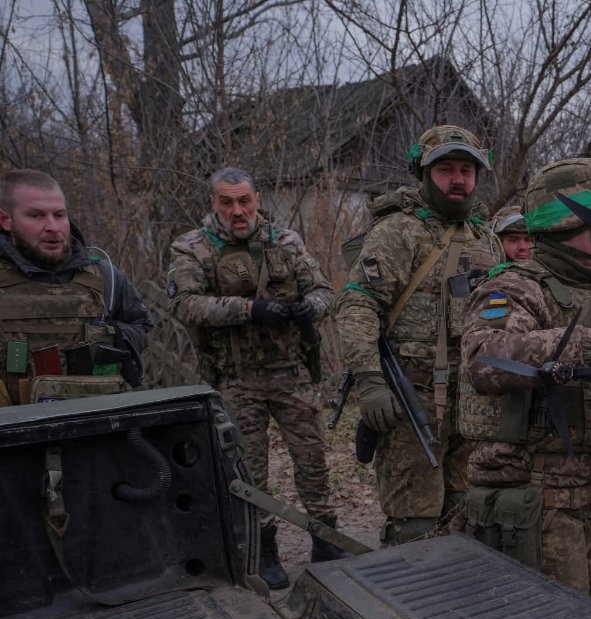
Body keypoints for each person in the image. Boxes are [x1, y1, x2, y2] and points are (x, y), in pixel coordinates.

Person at [458, 157, 591, 596]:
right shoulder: (516, 287)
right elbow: (484, 358)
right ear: (570, 225)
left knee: (578, 613)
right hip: (541, 501)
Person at [168, 167, 346, 589]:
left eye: (244, 201)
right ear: (214, 203)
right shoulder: (192, 248)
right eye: (227, 202)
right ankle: (264, 548)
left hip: (290, 372)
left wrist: (310, 308)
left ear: (257, 201)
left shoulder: (285, 241)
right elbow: (186, 304)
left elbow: (325, 291)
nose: (237, 211)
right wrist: (249, 310)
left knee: (312, 459)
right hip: (237, 378)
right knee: (250, 468)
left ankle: (325, 539)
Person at [336, 125, 503, 546]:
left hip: (474, 405)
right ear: (425, 173)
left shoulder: (487, 238)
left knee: (467, 514)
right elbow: (358, 305)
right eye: (446, 170)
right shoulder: (399, 231)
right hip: (414, 402)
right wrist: (370, 380)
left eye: (466, 170)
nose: (458, 179)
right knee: (414, 526)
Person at [0, 169, 151, 407]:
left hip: (97, 416)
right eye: (36, 215)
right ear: (5, 220)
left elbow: (141, 324)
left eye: (59, 215)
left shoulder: (105, 276)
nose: (53, 226)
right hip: (17, 424)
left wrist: (109, 340)